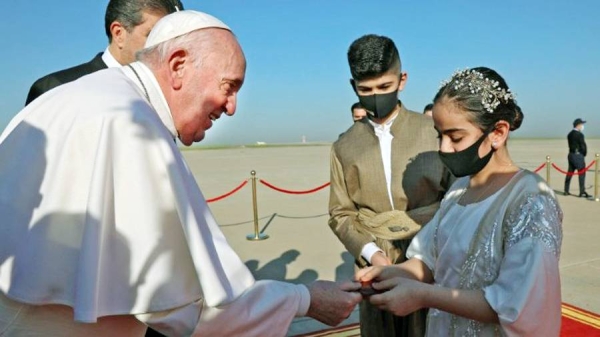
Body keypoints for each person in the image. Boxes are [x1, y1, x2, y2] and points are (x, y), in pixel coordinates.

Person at [0, 10, 362, 336]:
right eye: (229, 86)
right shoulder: (133, 123)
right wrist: (305, 299)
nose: (232, 107)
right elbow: (192, 308)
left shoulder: (69, 97)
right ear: (177, 66)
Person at [357, 67, 563, 336]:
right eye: (439, 135)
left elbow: (518, 306)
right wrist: (391, 275)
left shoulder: (530, 200)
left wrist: (424, 296)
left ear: (498, 133)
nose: (443, 148)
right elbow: (428, 261)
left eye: (456, 137)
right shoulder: (457, 191)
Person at [328, 34, 451, 337]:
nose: (376, 96)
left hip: (433, 256)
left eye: (384, 87)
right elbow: (340, 214)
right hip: (375, 263)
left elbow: (457, 198)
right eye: (365, 89)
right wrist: (373, 255)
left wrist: (425, 255)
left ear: (402, 79)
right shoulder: (344, 146)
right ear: (353, 87)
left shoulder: (435, 132)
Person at [25, 0, 184, 106]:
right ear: (119, 33)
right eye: (155, 35)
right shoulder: (54, 88)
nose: (167, 49)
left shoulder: (163, 97)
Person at [564, 118, 589, 197]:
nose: (582, 126)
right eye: (581, 124)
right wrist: (583, 154)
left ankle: (566, 190)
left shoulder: (569, 134)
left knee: (570, 173)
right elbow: (583, 146)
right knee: (581, 173)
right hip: (578, 155)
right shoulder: (579, 134)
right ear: (578, 125)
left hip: (571, 154)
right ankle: (582, 191)